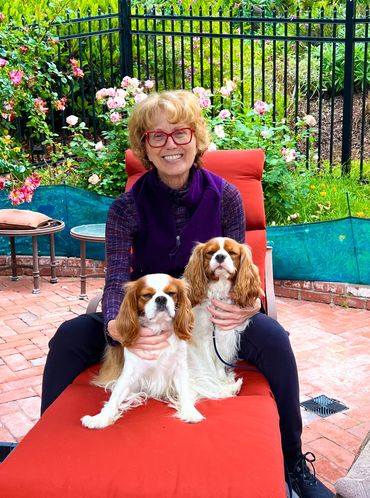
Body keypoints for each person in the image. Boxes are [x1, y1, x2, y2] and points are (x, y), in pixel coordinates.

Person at [41, 89, 333, 498]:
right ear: (144, 145)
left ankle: (292, 461)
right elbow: (115, 281)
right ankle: (48, 450)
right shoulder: (126, 207)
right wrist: (118, 327)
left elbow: (240, 269)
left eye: (180, 133)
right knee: (70, 336)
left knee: (276, 341)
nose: (170, 144)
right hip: (148, 314)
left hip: (211, 314)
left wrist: (250, 305)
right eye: (155, 136)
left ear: (196, 138)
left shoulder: (226, 197)